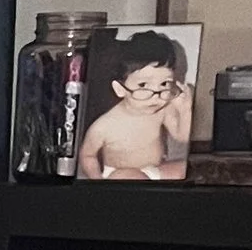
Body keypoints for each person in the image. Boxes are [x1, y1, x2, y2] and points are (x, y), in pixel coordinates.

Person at [76, 28, 192, 181]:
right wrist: (97, 180)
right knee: (129, 177)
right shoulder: (105, 125)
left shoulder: (162, 109)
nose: (156, 95)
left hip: (153, 170)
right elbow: (88, 155)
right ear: (120, 89)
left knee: (186, 168)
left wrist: (185, 110)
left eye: (164, 83)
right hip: (120, 174)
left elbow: (182, 136)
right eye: (143, 85)